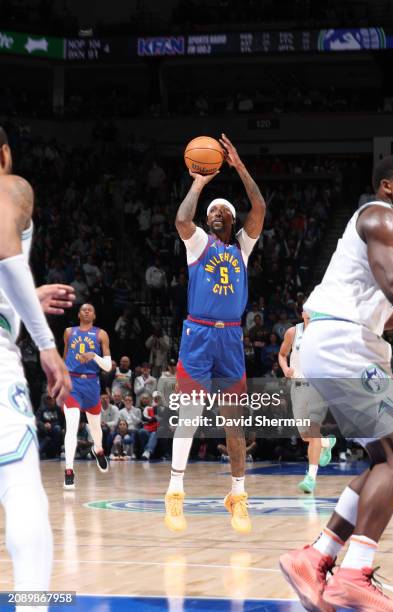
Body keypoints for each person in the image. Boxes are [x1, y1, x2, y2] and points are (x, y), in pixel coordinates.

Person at [279, 155, 393, 611]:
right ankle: (354, 574)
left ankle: (316, 557)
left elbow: (387, 312)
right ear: (388, 187)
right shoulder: (381, 215)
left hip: (340, 340)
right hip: (344, 345)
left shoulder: (391, 230)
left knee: (382, 460)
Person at [165, 133, 265, 534]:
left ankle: (237, 496)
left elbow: (258, 206)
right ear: (209, 220)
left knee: (233, 422)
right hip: (199, 335)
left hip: (230, 340)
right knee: (188, 416)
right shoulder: (199, 244)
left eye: (225, 210)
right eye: (214, 211)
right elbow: (181, 219)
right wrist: (201, 180)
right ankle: (175, 492)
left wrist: (239, 167)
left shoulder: (242, 248)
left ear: (234, 220)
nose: (218, 213)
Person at [0, 126, 72, 606]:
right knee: (23, 489)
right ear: (3, 153)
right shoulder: (10, 185)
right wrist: (45, 342)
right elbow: (5, 248)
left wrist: (20, 301)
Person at [278, 311, 336, 494]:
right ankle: (326, 443)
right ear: (303, 313)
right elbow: (281, 355)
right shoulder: (292, 333)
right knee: (305, 436)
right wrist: (285, 368)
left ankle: (311, 477)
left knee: (313, 430)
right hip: (297, 386)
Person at [63, 303, 112, 489]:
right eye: (83, 309)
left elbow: (107, 366)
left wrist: (93, 356)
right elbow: (65, 357)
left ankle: (98, 449)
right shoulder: (69, 332)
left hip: (92, 384)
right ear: (78, 314)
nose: (86, 311)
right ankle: (69, 470)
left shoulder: (101, 334)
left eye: (90, 309)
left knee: (95, 430)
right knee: (72, 426)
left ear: (94, 315)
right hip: (72, 384)